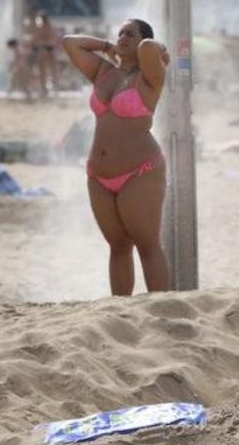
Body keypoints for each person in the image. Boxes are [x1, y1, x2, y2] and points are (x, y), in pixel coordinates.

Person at [62, 19, 172, 295]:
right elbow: (70, 43)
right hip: (98, 175)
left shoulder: (150, 78)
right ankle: (122, 309)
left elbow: (148, 47)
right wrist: (107, 46)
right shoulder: (103, 72)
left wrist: (157, 48)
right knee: (118, 246)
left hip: (140, 171)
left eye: (129, 34)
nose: (123, 37)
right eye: (120, 33)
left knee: (147, 245)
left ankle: (162, 309)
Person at [31, 11, 60, 97]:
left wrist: (43, 46)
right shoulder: (42, 27)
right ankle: (46, 89)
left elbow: (51, 40)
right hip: (45, 50)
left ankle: (53, 89)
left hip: (48, 50)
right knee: (45, 71)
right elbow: (35, 40)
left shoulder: (47, 28)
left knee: (51, 71)